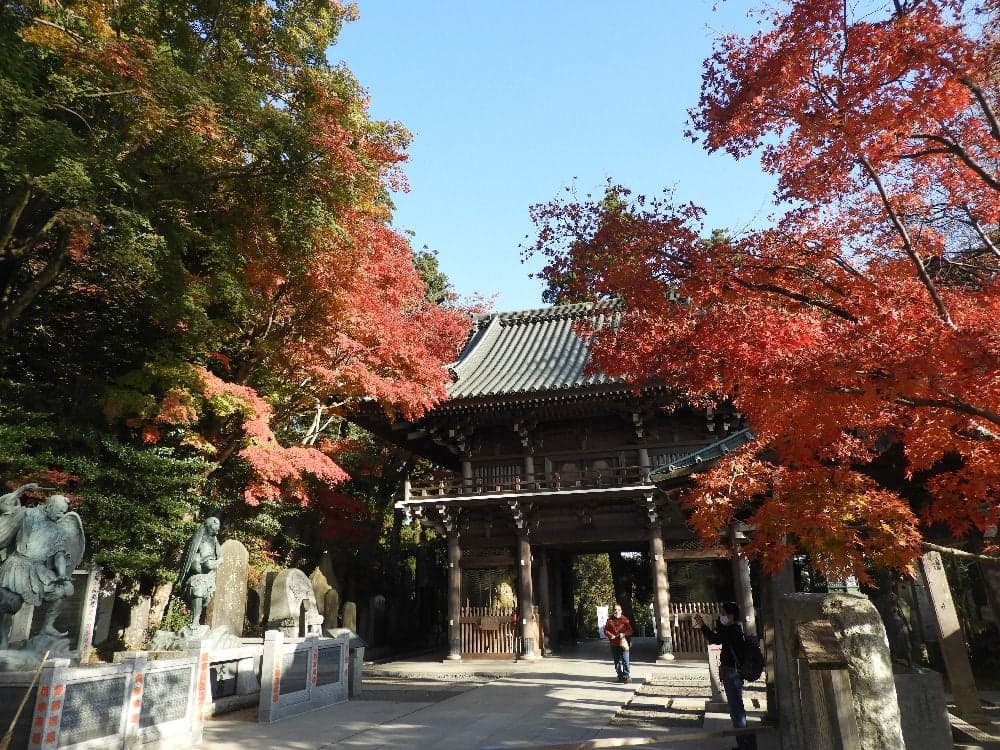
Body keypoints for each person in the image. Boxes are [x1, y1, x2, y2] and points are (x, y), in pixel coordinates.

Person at [0, 493, 83, 649]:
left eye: (64, 512)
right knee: (8, 604)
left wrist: (61, 574)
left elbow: (59, 555)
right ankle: (2, 641)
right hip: (17, 565)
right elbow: (5, 507)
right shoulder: (28, 514)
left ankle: (47, 626)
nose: (62, 515)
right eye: (59, 511)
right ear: (49, 506)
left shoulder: (58, 531)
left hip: (38, 569)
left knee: (64, 590)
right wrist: (20, 490)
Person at [695, 602, 758, 750]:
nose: (721, 616)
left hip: (732, 673)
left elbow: (714, 638)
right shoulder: (734, 629)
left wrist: (702, 625)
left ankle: (745, 745)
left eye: (723, 613)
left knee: (736, 711)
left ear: (731, 615)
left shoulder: (732, 631)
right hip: (732, 672)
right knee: (737, 709)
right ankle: (744, 743)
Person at [178, 517, 222, 627]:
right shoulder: (204, 540)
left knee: (198, 589)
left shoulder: (212, 540)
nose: (217, 531)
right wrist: (220, 561)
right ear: (209, 527)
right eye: (215, 528)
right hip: (197, 577)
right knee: (197, 589)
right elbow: (208, 564)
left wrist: (219, 560)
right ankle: (195, 621)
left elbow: (210, 563)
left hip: (205, 577)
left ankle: (196, 621)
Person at [603, 602, 633, 683]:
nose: (617, 611)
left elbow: (630, 630)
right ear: (613, 611)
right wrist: (610, 635)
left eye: (618, 610)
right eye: (615, 610)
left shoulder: (625, 620)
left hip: (623, 643)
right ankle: (620, 676)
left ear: (621, 610)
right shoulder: (609, 620)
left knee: (625, 660)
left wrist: (624, 634)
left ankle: (626, 676)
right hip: (614, 643)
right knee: (616, 661)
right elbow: (606, 630)